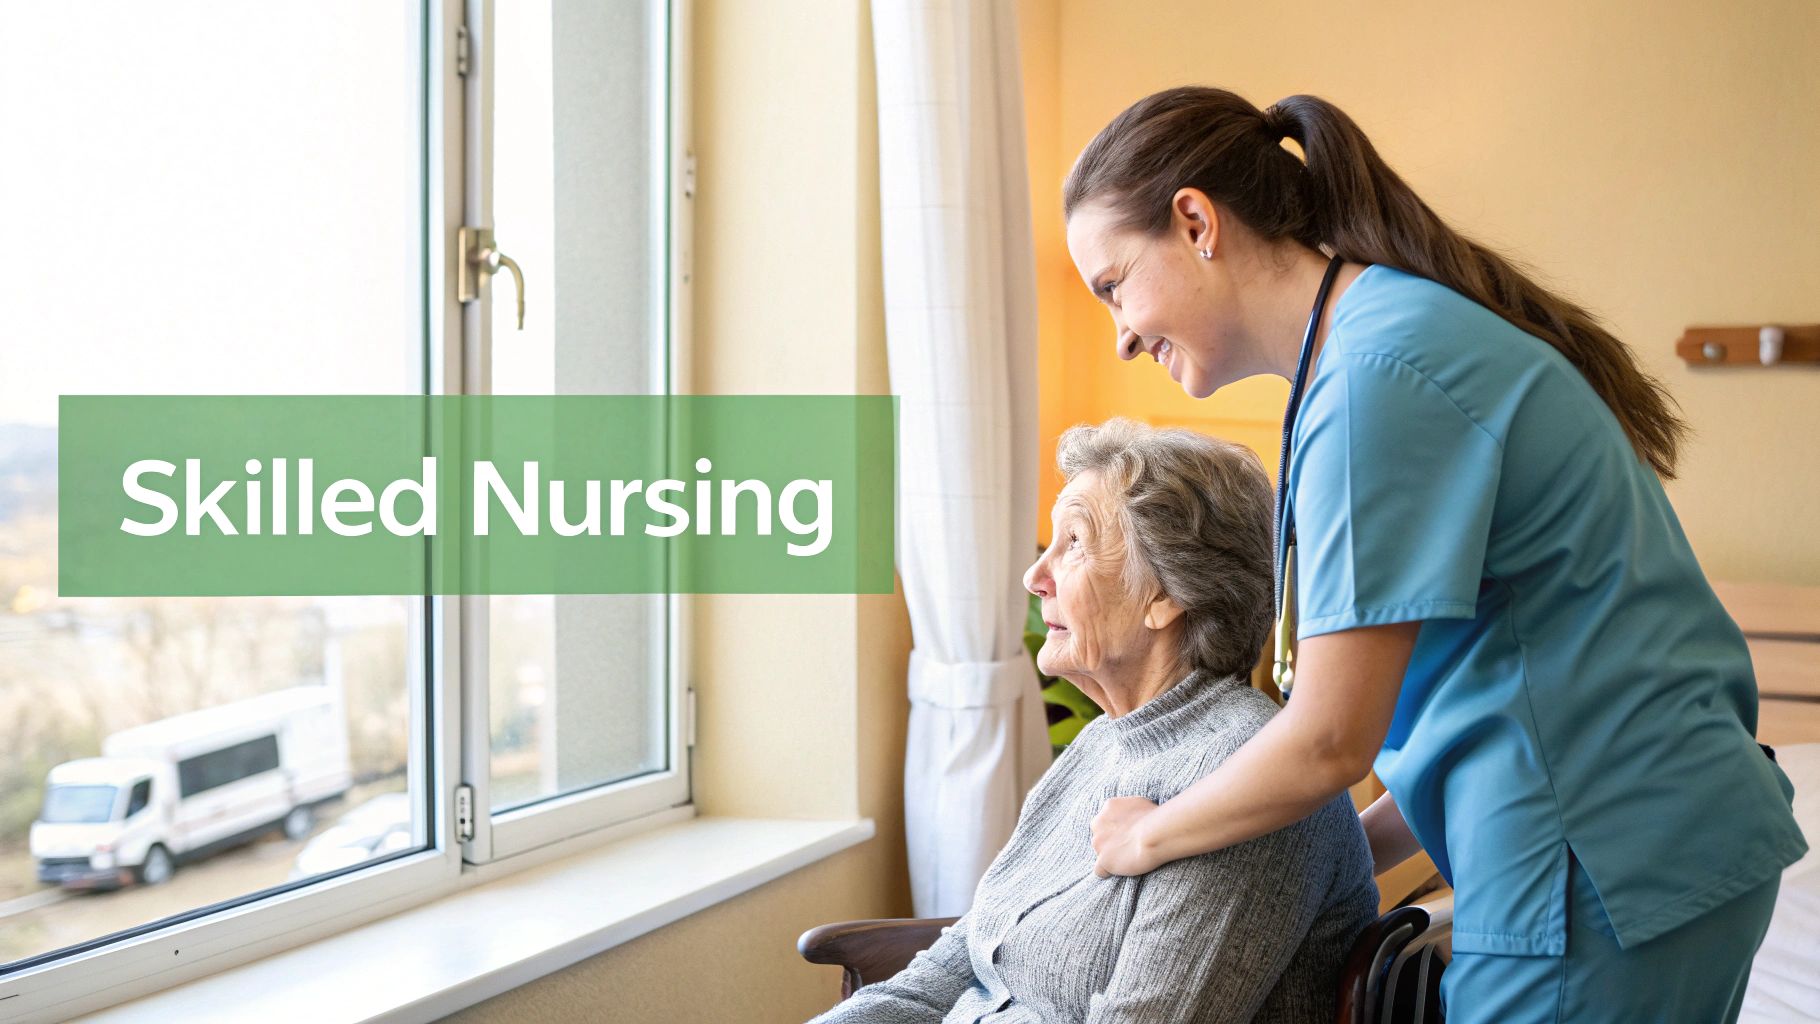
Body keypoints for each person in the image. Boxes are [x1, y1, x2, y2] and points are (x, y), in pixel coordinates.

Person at [1062, 85, 1808, 1024]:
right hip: (1640, 847)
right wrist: (1317, 864)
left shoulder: (1379, 375)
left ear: (1197, 221)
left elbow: (1334, 738)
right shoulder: (1383, 342)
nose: (1121, 334)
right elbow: (1480, 702)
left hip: (1605, 865)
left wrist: (1149, 838)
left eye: (1114, 284)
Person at [812, 419, 1377, 1023]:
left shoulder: (1247, 776)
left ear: (1166, 594)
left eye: (1075, 542)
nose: (1035, 576)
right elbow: (958, 962)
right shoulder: (1103, 744)